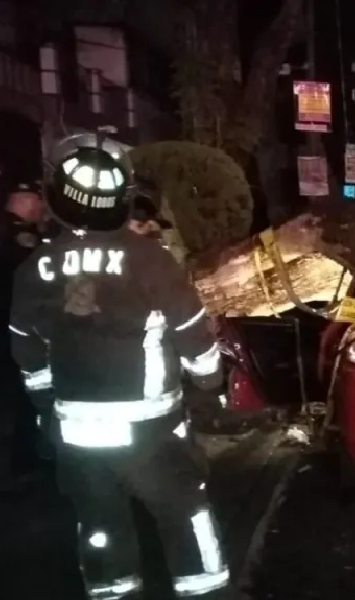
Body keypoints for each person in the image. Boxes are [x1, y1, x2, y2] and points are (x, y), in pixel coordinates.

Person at [8, 133, 232, 599]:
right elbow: (191, 330)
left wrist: (47, 403)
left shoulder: (36, 266)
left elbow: (26, 344)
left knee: (100, 526)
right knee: (186, 517)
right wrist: (210, 378)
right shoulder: (150, 259)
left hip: (77, 436)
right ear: (122, 196)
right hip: (151, 430)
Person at [0, 179, 47, 481]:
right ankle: (20, 464)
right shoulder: (20, 236)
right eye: (38, 203)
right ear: (26, 202)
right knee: (21, 396)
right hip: (12, 325)